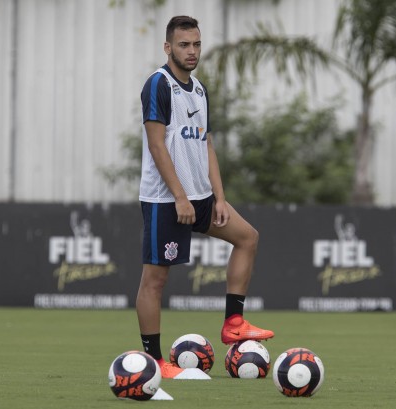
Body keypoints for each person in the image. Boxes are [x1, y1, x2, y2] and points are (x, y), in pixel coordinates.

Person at [136, 15, 274, 379]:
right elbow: (155, 145)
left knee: (248, 238)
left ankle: (233, 323)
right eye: (184, 44)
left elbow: (206, 144)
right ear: (168, 47)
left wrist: (220, 197)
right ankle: (154, 361)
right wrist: (179, 196)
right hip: (166, 201)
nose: (192, 51)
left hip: (202, 199)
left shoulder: (199, 89)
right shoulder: (158, 85)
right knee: (155, 280)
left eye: (196, 44)